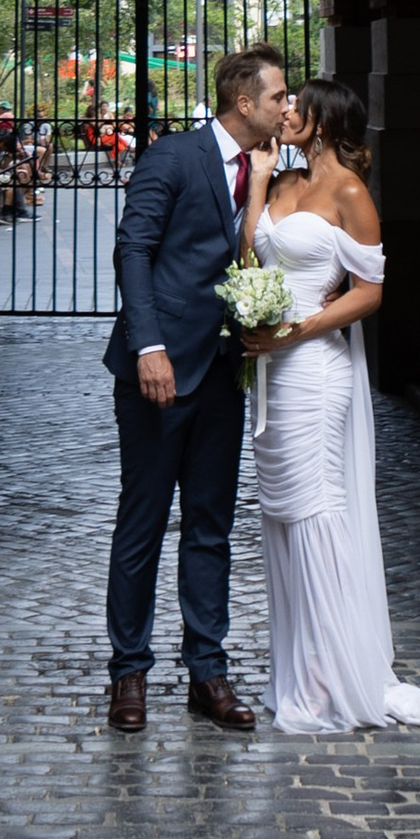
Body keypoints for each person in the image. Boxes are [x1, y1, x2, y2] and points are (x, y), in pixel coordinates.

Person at [235, 76, 420, 736]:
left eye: (298, 105)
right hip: (271, 370)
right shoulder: (279, 185)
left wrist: (297, 330)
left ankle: (337, 677)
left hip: (316, 367)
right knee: (281, 514)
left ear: (327, 121)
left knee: (317, 508)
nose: (287, 111)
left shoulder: (350, 193)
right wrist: (255, 186)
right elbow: (251, 257)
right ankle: (302, 674)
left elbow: (370, 291)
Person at [101, 41, 288, 732]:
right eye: (277, 96)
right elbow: (135, 248)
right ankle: (129, 675)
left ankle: (208, 672)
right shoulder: (173, 156)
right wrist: (148, 345)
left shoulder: (266, 167)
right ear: (245, 101)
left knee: (210, 526)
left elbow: (247, 255)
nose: (285, 106)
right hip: (159, 369)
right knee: (143, 522)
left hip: (222, 371)